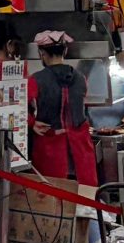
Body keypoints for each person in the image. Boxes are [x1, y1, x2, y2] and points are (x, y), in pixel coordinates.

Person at [26, 30, 98, 183]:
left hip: (50, 152)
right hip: (81, 151)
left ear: (41, 53)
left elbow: (18, 109)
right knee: (85, 195)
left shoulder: (35, 80)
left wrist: (31, 123)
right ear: (65, 51)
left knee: (53, 194)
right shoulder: (81, 78)